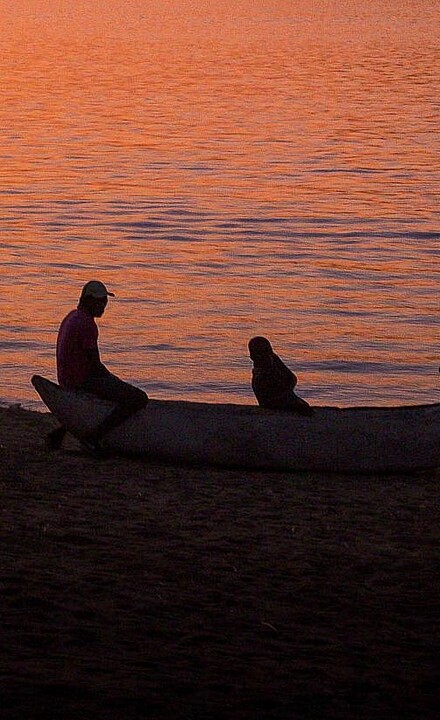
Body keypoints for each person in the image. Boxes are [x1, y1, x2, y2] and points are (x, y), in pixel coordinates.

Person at [45, 280, 148, 450]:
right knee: (137, 398)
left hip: (67, 377)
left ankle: (60, 433)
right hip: (81, 380)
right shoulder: (87, 324)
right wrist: (114, 380)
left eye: (104, 302)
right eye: (100, 302)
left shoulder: (72, 316)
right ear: (89, 300)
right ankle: (94, 438)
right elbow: (95, 364)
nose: (103, 306)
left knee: (112, 389)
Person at [248, 336, 313, 416]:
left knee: (301, 405)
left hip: (280, 394)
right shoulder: (265, 366)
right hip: (273, 398)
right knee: (300, 406)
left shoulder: (272, 359)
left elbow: (291, 379)